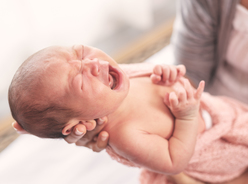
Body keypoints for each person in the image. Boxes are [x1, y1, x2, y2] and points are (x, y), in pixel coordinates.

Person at [9, 45, 248, 184]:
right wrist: (186, 116)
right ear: (80, 123)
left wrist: (167, 75)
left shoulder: (122, 75)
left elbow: (159, 78)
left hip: (220, 111)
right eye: (79, 81)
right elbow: (175, 162)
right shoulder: (124, 134)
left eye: (79, 52)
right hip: (218, 148)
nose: (92, 63)